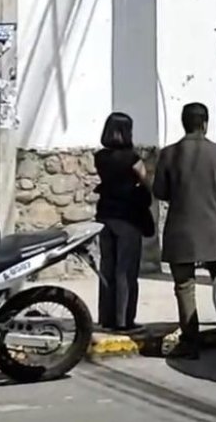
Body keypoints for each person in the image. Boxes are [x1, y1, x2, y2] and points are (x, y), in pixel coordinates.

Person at [152, 102, 216, 359]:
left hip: (180, 230)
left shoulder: (168, 154)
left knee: (184, 285)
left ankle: (191, 341)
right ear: (205, 124)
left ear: (183, 123)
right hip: (210, 229)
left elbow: (160, 192)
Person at [94, 112, 153, 333]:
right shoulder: (132, 158)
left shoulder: (100, 157)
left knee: (107, 267)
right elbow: (145, 182)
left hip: (105, 215)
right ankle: (123, 320)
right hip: (128, 217)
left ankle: (106, 317)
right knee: (125, 270)